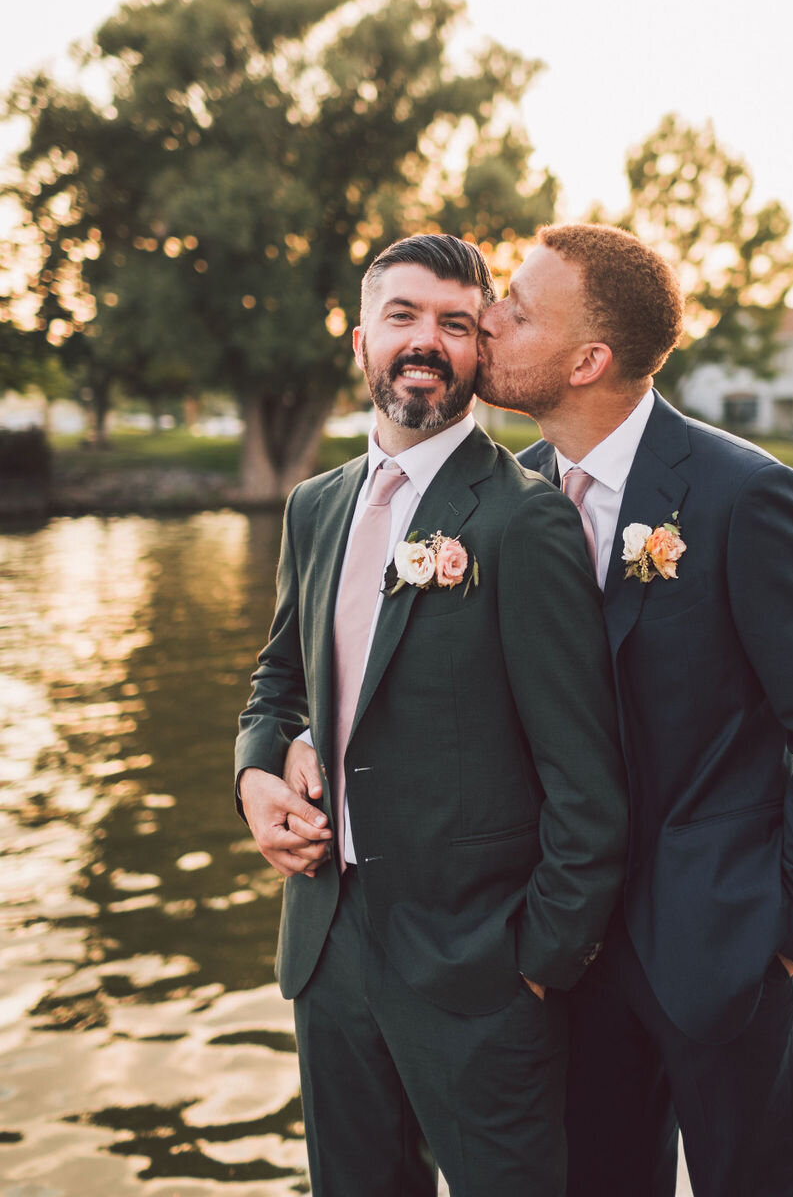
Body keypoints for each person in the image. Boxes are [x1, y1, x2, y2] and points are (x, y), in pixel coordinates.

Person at [473, 223, 793, 1197]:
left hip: (730, 947)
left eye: (517, 311)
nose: (488, 320)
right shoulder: (510, 499)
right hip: (567, 959)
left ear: (588, 360)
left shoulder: (745, 497)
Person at [235, 233, 627, 1197]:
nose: (427, 341)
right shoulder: (313, 507)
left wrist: (535, 966)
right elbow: (279, 677)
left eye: (456, 324)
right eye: (402, 315)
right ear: (360, 339)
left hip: (481, 978)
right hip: (327, 952)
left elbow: (588, 783)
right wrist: (256, 768)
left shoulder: (521, 519)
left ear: (478, 351)